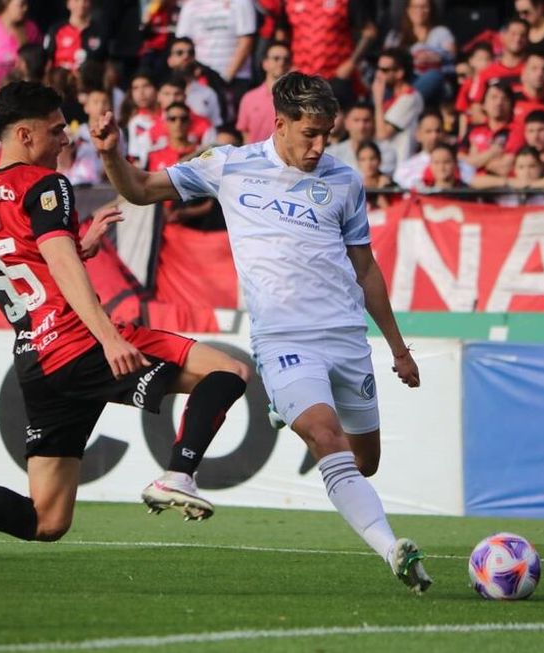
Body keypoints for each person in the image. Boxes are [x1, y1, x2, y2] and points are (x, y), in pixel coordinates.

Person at [0, 81, 250, 541]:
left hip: (37, 360)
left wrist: (79, 246)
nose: (66, 140)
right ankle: (178, 475)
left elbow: (17, 264)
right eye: (56, 130)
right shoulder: (46, 183)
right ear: (25, 135)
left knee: (47, 520)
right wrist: (108, 337)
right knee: (228, 371)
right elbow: (57, 263)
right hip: (80, 341)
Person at [92, 71, 432, 594]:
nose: (319, 147)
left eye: (327, 135)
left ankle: (283, 406)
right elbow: (139, 189)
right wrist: (111, 155)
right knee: (325, 436)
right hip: (284, 339)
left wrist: (398, 349)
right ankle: (393, 549)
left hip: (346, 339)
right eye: (309, 134)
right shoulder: (229, 164)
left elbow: (365, 269)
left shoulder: (345, 181)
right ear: (280, 124)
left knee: (364, 462)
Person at [382, 0, 455, 107]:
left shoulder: (441, 32)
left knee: (433, 75)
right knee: (382, 78)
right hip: (401, 79)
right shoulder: (395, 36)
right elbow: (385, 58)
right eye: (415, 7)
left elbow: (452, 55)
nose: (420, 11)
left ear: (431, 10)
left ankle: (401, 107)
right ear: (408, 10)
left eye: (424, 7)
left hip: (430, 80)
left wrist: (435, 57)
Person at [236, 40, 290, 145]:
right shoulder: (249, 98)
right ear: (265, 63)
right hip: (256, 153)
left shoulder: (297, 98)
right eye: (276, 58)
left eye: (286, 59)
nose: (281, 63)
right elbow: (245, 135)